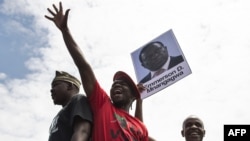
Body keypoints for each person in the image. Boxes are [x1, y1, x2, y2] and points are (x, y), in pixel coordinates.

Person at [45, 2, 155, 141]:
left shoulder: (141, 127)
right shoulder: (103, 104)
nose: (116, 85)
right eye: (114, 84)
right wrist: (65, 31)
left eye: (123, 84)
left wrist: (139, 100)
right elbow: (84, 67)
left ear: (133, 95)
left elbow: (140, 130)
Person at [49, 70, 92, 141]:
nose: (51, 90)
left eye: (55, 85)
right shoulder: (62, 113)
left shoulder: (78, 99)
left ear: (69, 86)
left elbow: (82, 131)